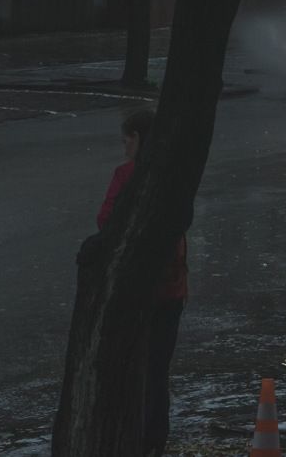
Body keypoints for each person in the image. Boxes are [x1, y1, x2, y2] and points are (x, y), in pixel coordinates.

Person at [92, 108, 188, 455]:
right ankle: (153, 439)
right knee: (157, 369)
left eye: (126, 140)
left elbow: (107, 219)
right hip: (172, 286)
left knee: (133, 365)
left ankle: (133, 435)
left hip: (136, 290)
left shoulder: (127, 175)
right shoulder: (173, 176)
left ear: (138, 139)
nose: (124, 148)